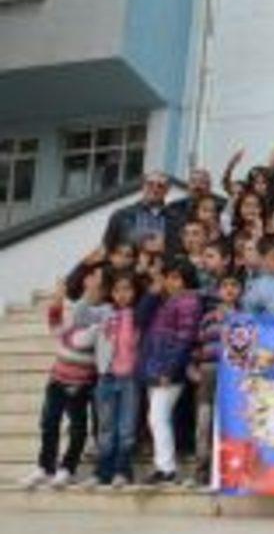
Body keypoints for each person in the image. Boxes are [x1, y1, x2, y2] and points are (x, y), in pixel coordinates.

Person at [20, 272, 110, 490]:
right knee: (49, 423)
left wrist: (80, 301)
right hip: (57, 379)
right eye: (91, 279)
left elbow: (84, 336)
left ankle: (67, 468)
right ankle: (45, 467)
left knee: (77, 428)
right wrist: (57, 302)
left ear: (105, 289)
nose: (92, 283)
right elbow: (56, 327)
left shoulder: (104, 313)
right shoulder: (78, 310)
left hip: (79, 384)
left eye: (97, 281)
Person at [136, 257, 202, 486]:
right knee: (155, 418)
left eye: (176, 278)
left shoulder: (188, 302)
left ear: (186, 279)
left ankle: (166, 469)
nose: (171, 282)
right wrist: (153, 292)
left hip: (168, 370)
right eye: (169, 277)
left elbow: (185, 339)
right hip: (154, 367)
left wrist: (170, 369)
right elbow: (140, 318)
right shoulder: (166, 300)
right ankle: (163, 466)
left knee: (158, 417)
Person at [87, 270, 141, 489]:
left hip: (129, 378)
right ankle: (103, 471)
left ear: (135, 292)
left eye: (127, 289)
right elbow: (80, 316)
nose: (122, 294)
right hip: (106, 377)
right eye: (117, 290)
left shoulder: (139, 314)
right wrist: (91, 290)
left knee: (126, 428)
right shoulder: (104, 313)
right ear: (111, 292)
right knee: (106, 428)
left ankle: (122, 470)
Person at [188, 274, 242, 489]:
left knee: (233, 422)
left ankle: (231, 471)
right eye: (225, 285)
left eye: (234, 285)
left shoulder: (246, 318)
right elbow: (196, 345)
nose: (229, 289)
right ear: (219, 291)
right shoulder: (208, 318)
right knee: (204, 422)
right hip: (209, 372)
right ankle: (201, 471)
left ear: (240, 291)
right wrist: (193, 369)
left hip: (235, 376)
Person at [102, 171, 180, 253]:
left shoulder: (176, 219)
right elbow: (106, 249)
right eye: (150, 184)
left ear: (167, 190)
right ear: (143, 186)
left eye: (160, 186)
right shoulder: (121, 216)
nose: (155, 189)